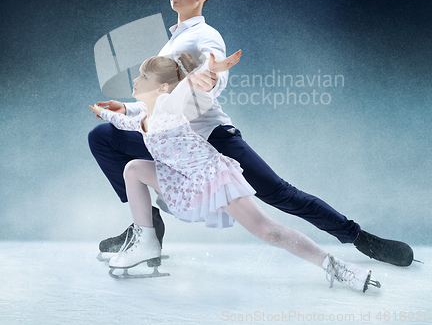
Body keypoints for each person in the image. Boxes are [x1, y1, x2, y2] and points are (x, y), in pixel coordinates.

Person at [88, 0, 414, 267]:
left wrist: (213, 79)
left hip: (212, 139)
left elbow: (214, 72)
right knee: (103, 137)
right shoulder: (170, 43)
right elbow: (159, 104)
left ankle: (357, 236)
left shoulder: (206, 36)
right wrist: (129, 109)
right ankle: (147, 226)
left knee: (278, 193)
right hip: (175, 145)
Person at [89, 51, 381, 292]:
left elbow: (185, 87)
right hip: (184, 181)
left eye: (143, 76)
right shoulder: (145, 115)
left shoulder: (168, 104)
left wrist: (206, 70)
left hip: (211, 177)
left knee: (268, 231)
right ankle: (147, 242)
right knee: (133, 169)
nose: (136, 78)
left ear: (162, 87)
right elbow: (128, 122)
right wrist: (107, 113)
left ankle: (339, 268)